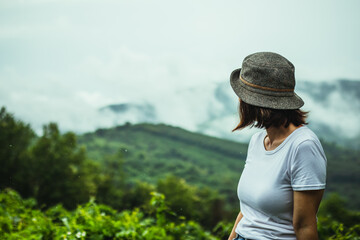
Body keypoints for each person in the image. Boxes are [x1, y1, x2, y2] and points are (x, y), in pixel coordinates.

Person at [227, 52, 327, 240]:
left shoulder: (303, 146)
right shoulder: (257, 141)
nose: (239, 101)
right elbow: (247, 213)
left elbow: (304, 225)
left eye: (242, 95)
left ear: (254, 104)